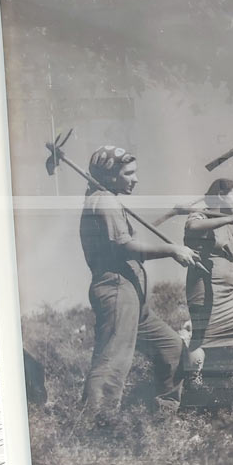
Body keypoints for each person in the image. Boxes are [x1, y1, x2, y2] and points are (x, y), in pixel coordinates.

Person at [79, 145, 199, 413]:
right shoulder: (105, 201)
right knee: (113, 359)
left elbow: (129, 237)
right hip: (117, 289)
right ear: (110, 176)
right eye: (129, 173)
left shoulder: (106, 199)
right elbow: (125, 247)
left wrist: (172, 212)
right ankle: (97, 424)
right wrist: (172, 250)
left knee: (171, 350)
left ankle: (162, 416)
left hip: (133, 296)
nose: (136, 179)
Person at [182, 178, 233, 377]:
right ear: (220, 196)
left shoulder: (232, 222)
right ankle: (194, 381)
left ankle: (217, 382)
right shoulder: (201, 214)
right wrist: (228, 219)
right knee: (203, 335)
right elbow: (192, 227)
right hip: (205, 284)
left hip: (230, 289)